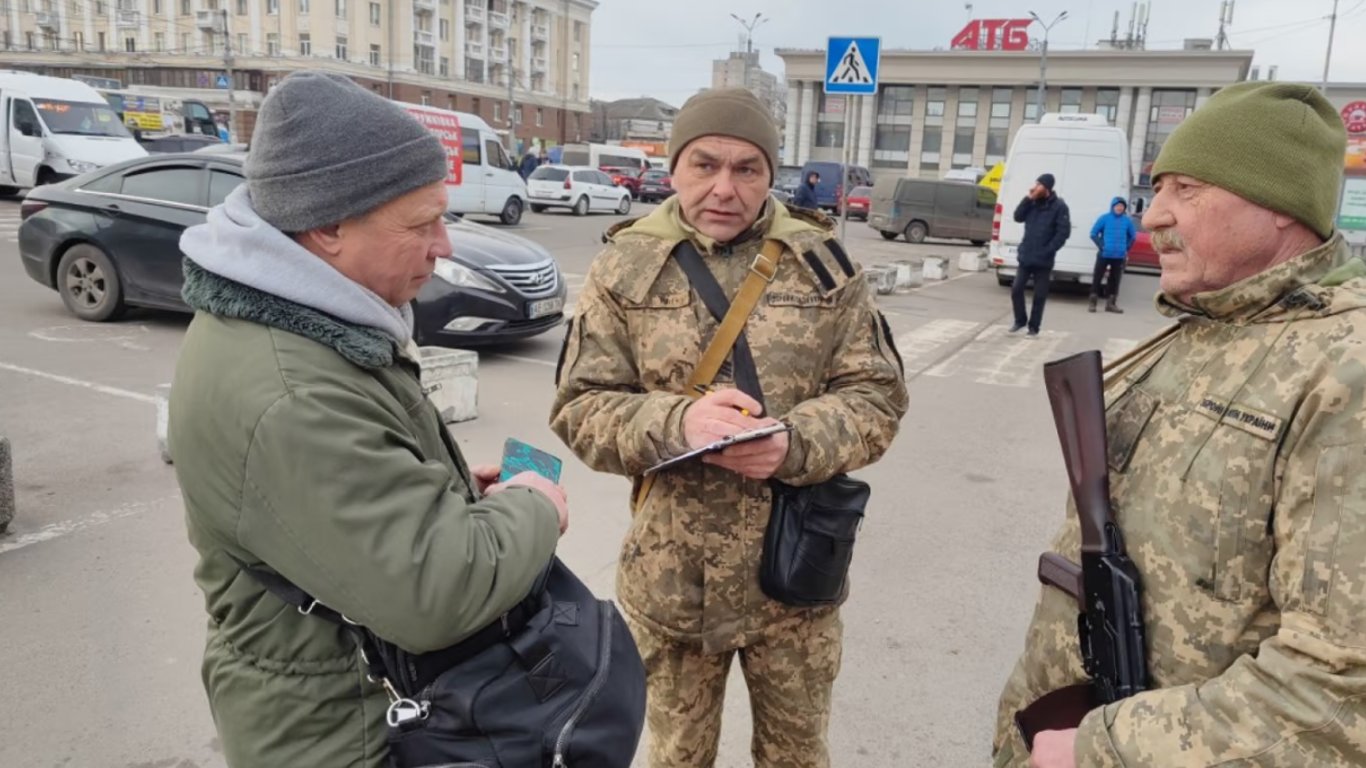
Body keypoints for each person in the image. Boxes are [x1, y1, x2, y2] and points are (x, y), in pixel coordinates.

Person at [168, 71, 568, 768]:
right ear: (326, 227)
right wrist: (535, 506)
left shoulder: (309, 324)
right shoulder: (289, 389)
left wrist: (440, 491)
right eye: (422, 224)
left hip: (357, 702)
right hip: (341, 734)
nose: (444, 245)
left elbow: (340, 499)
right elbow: (434, 591)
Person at [993, 82, 1366, 768]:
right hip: (1064, 727)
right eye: (1158, 188)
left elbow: (1340, 686)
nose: (1153, 216)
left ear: (1280, 207)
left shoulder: (1345, 373)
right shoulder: (1199, 329)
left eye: (1187, 190)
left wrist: (1101, 748)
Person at [549, 87, 908, 768]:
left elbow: (877, 396)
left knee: (795, 757)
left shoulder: (823, 266)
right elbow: (580, 406)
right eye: (704, 164)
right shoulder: (625, 268)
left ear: (772, 175)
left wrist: (793, 444)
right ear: (673, 167)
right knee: (676, 757)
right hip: (671, 582)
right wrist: (676, 422)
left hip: (795, 582)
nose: (725, 187)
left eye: (748, 168)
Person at [1009, 173, 1071, 337]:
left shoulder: (1059, 207)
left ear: (1047, 188)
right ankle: (1020, 320)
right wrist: (1028, 198)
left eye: (1038, 185)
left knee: (1040, 295)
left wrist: (1048, 249)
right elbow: (1017, 217)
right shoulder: (1032, 203)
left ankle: (1034, 326)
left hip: (1044, 259)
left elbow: (1063, 232)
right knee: (1016, 289)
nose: (1034, 187)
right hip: (1026, 256)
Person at [1087, 196, 1137, 313]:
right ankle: (1092, 303)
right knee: (1097, 278)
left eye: (1122, 206)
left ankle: (1111, 304)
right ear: (1113, 206)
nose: (1119, 208)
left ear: (1124, 208)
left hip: (1119, 256)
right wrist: (1102, 246)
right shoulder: (1104, 218)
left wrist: (1126, 248)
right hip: (1104, 254)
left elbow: (1133, 237)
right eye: (1117, 206)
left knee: (1114, 280)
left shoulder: (1127, 221)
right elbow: (1093, 234)